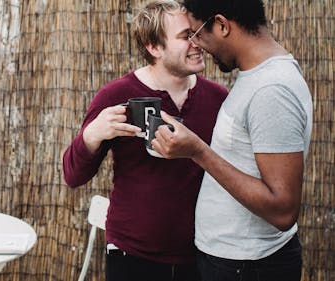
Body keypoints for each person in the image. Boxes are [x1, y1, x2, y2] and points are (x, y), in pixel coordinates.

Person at [62, 1, 227, 280]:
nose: (198, 42)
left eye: (197, 33)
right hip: (132, 257)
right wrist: (91, 135)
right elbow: (72, 176)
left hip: (202, 257)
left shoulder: (219, 99)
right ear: (154, 47)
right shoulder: (117, 96)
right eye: (186, 36)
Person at [151, 1, 313, 281]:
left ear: (223, 25)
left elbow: (283, 209)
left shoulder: (271, 90)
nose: (197, 44)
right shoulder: (257, 76)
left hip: (248, 266)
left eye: (198, 33)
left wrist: (198, 152)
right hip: (235, 261)